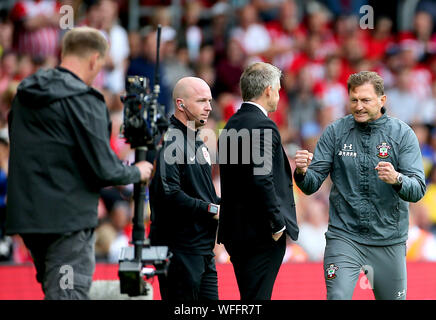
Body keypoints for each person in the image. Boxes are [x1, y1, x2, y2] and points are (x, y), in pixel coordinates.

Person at [5, 26, 153, 300]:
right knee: (68, 295)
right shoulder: (85, 100)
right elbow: (104, 168)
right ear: (95, 59)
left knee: (58, 291)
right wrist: (137, 171)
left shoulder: (25, 93)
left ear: (64, 52)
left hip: (30, 219)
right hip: (67, 221)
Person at [294, 71, 426, 300]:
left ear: (382, 100)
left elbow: (418, 190)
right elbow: (311, 184)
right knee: (338, 297)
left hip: (389, 240)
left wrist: (397, 179)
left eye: (366, 100)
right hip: (344, 237)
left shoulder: (402, 134)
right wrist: (302, 172)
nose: (359, 106)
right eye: (354, 100)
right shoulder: (336, 132)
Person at [217, 62, 299, 300]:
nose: (279, 94)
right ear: (267, 90)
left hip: (236, 232)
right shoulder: (263, 125)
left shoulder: (230, 125)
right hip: (261, 233)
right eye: (278, 89)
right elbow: (262, 179)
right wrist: (277, 224)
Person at [149, 76, 220, 301]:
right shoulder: (169, 140)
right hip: (179, 251)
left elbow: (203, 194)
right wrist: (211, 209)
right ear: (181, 104)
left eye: (209, 101)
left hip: (202, 250)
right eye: (201, 101)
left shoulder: (197, 140)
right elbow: (169, 194)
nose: (209, 107)